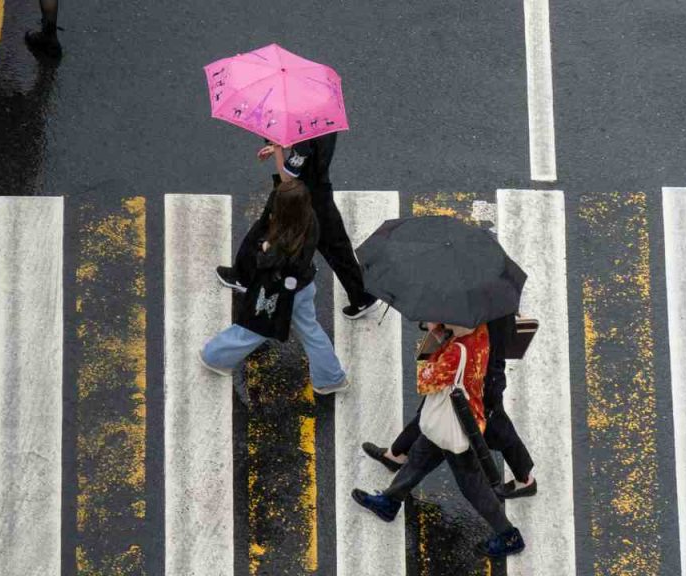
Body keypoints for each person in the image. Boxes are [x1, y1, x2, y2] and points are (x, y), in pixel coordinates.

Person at [351, 322, 526, 558]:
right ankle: (390, 501)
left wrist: (434, 343)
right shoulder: (481, 332)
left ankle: (509, 536)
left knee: (473, 486)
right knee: (418, 458)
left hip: (455, 426)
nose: (432, 319)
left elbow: (425, 380)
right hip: (462, 414)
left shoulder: (455, 351)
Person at [199, 178, 349, 395]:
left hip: (278, 293)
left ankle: (215, 356)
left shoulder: (284, 235)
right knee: (309, 331)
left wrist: (266, 247)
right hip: (302, 288)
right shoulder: (310, 220)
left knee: (256, 326)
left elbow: (267, 262)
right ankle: (329, 378)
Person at [361, 314, 537, 499]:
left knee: (495, 425)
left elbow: (427, 380)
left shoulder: (474, 314)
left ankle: (524, 479)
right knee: (436, 409)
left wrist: (436, 335)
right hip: (480, 370)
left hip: (480, 376)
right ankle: (397, 454)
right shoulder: (493, 298)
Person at [215, 135, 380, 320]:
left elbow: (287, 178)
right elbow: (309, 150)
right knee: (337, 248)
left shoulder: (303, 140)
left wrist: (278, 149)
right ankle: (361, 296)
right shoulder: (324, 125)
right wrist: (288, 145)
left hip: (296, 198)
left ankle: (243, 276)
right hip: (321, 192)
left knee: (263, 230)